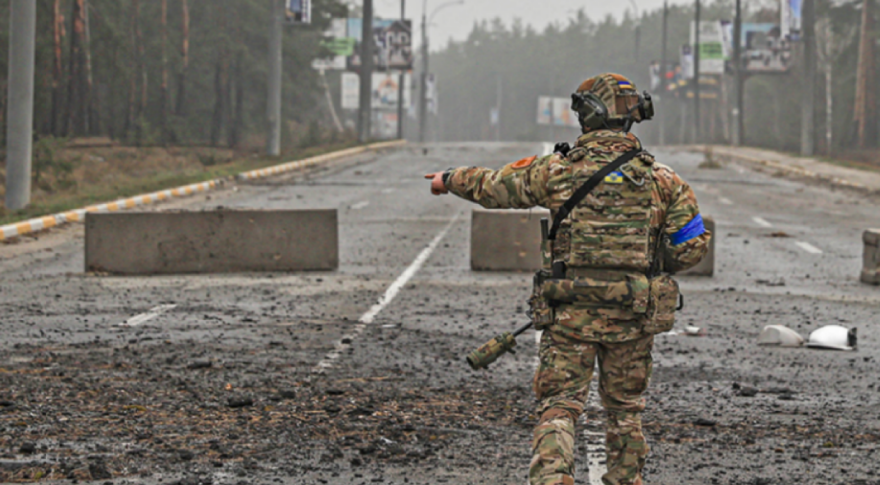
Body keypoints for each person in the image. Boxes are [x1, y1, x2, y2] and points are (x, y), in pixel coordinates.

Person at [425, 73, 711, 485]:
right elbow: (690, 247)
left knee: (559, 406)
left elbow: (494, 188)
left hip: (568, 313)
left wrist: (447, 179)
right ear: (632, 118)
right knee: (626, 411)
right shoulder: (664, 181)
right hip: (632, 315)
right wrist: (646, 263)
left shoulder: (557, 170)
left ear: (587, 115)